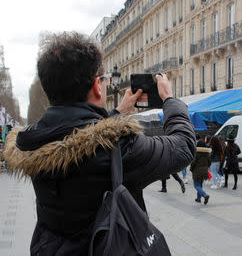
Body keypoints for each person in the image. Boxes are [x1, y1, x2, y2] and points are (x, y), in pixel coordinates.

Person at [2, 32, 196, 255]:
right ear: (97, 86)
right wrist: (171, 100)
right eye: (105, 80)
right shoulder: (120, 148)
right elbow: (183, 146)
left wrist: (117, 113)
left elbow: (77, 134)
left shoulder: (34, 142)